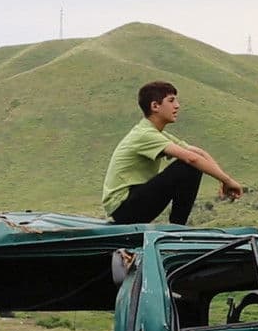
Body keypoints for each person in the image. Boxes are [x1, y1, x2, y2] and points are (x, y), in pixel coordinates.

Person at [102, 81, 243, 225]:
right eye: (171, 100)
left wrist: (223, 180)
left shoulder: (156, 133)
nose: (177, 105)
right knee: (189, 166)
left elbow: (198, 153)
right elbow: (192, 159)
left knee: (192, 165)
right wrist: (228, 181)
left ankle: (178, 228)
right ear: (155, 106)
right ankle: (178, 228)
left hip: (133, 203)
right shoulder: (144, 134)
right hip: (123, 207)